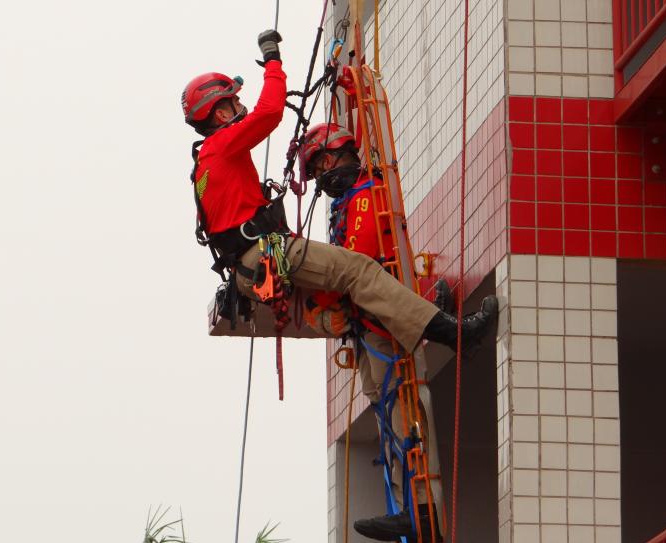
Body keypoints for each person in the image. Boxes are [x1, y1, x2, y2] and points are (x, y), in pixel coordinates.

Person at [181, 30, 497, 371]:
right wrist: (273, 61)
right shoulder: (223, 145)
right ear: (221, 115)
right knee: (358, 270)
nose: (241, 106)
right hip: (264, 255)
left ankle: (410, 334)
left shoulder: (204, 167)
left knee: (349, 295)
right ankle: (454, 334)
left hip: (251, 268)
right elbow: (270, 111)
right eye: (234, 101)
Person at [297, 123, 489, 543]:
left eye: (323, 163)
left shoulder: (365, 196)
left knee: (406, 420)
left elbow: (356, 259)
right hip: (366, 329)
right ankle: (410, 511)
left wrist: (319, 301)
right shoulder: (347, 203)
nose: (323, 175)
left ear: (338, 155)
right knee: (389, 421)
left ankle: (420, 514)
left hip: (381, 323)